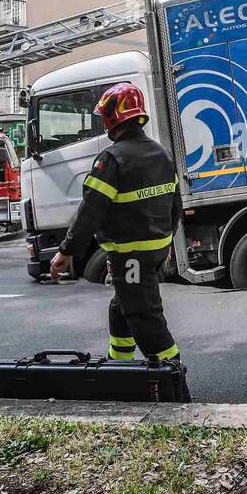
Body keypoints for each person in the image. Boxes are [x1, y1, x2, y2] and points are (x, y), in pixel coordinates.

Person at [49, 82, 182, 366]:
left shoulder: (112, 159)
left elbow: (90, 212)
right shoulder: (161, 153)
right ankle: (119, 364)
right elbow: (175, 205)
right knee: (121, 307)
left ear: (112, 117)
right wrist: (168, 241)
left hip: (129, 254)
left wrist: (66, 250)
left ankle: (172, 375)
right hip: (156, 250)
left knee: (143, 315)